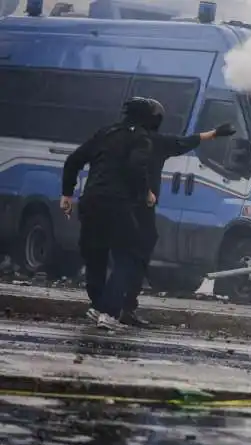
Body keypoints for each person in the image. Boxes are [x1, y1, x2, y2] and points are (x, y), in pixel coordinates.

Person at [120, 97, 236, 327]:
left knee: (117, 256)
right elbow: (184, 142)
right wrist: (215, 133)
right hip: (140, 208)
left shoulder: (114, 137)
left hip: (112, 204)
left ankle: (109, 306)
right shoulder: (153, 142)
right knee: (137, 255)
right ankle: (123, 308)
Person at [60, 98, 156, 331]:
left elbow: (73, 160)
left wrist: (66, 194)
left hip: (90, 201)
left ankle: (97, 306)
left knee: (96, 254)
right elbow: (136, 167)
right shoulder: (141, 138)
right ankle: (110, 312)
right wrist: (146, 192)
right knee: (130, 254)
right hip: (116, 203)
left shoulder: (106, 133)